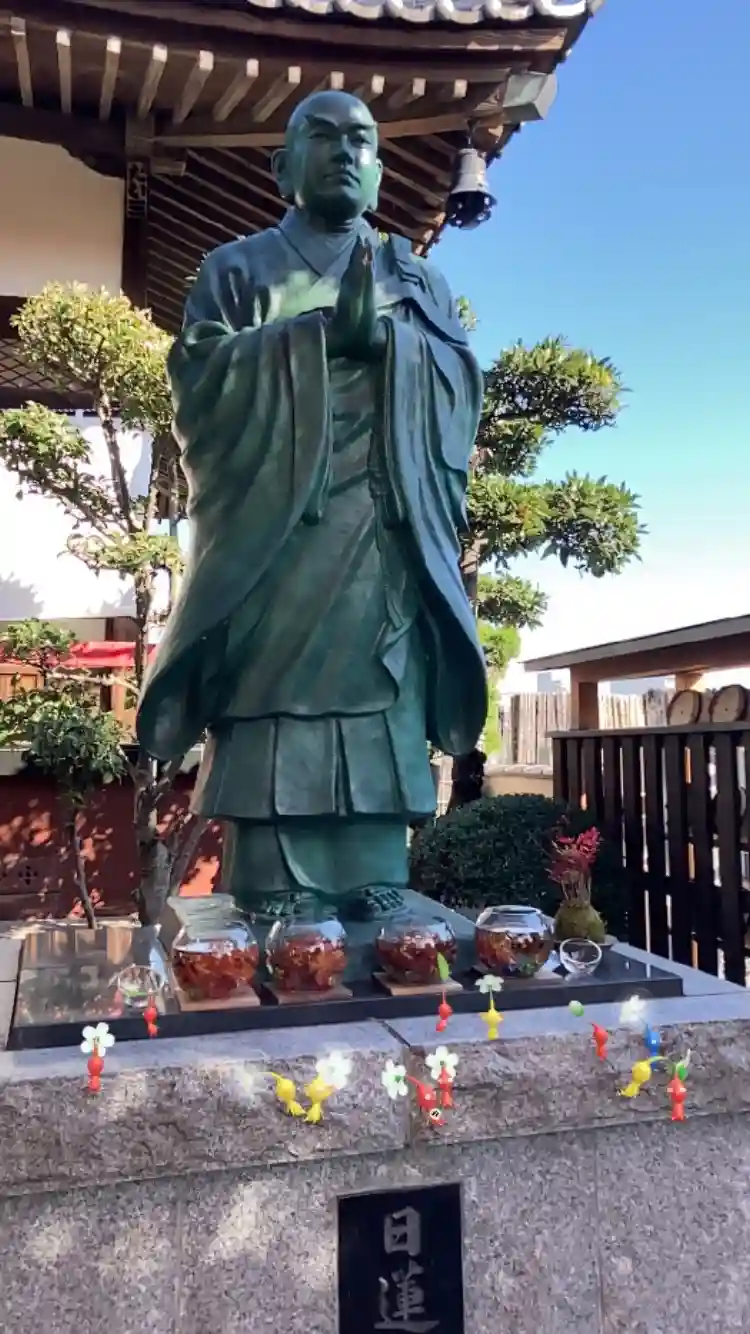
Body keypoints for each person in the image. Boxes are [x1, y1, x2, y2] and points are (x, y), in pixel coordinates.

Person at [137, 90, 487, 923]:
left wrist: (393, 343)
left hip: (384, 534)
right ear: (281, 167)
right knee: (274, 703)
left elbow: (460, 386)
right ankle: (273, 882)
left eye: (360, 140)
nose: (343, 152)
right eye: (321, 136)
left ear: (379, 171)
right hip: (276, 537)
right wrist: (318, 338)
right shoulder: (237, 269)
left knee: (381, 705)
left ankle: (376, 876)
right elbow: (199, 383)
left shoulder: (416, 279)